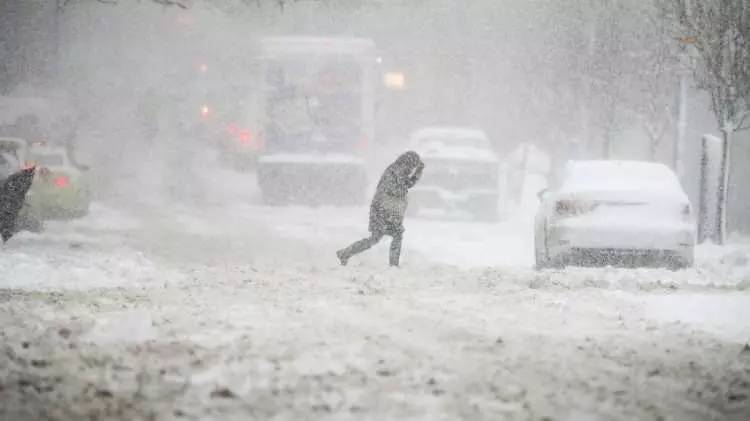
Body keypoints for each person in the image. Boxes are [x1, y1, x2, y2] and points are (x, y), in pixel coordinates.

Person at [337, 151, 425, 267]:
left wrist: (418, 172)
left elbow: (406, 185)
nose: (412, 168)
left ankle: (346, 253)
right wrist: (417, 173)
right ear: (408, 163)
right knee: (386, 236)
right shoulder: (395, 171)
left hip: (386, 210)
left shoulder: (398, 170)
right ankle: (392, 264)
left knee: (380, 237)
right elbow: (401, 187)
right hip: (382, 210)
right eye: (413, 165)